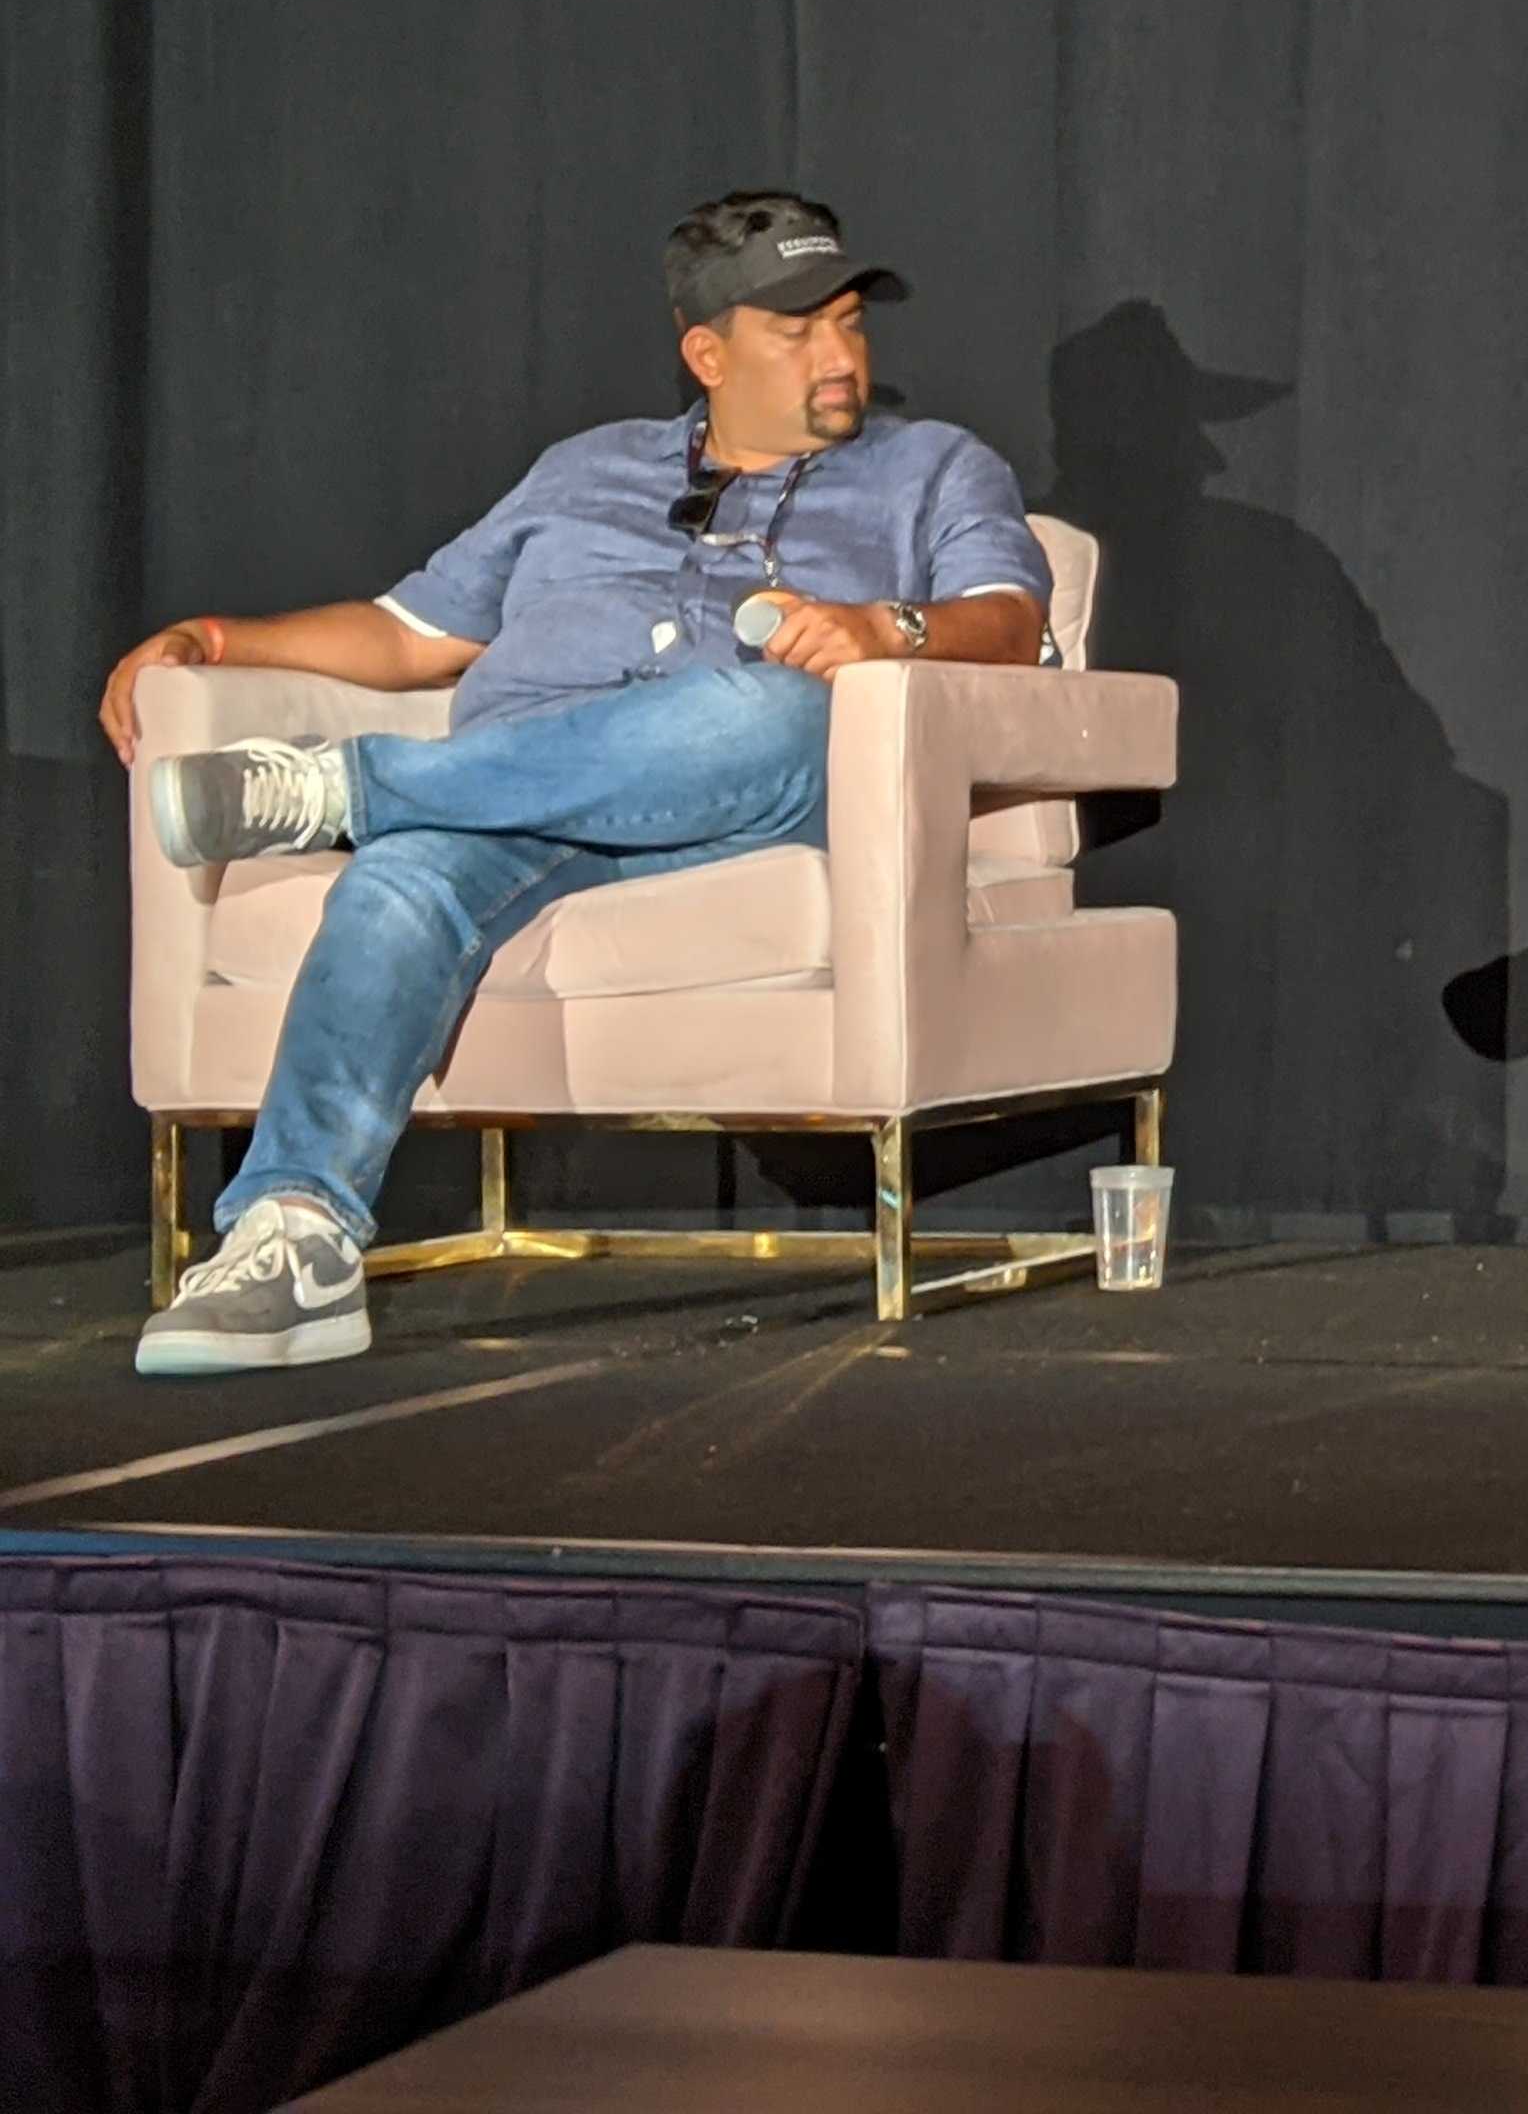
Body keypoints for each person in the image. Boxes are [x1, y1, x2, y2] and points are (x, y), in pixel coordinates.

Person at [101, 191, 1055, 1376]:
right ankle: (297, 1241)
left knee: (766, 704)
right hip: (513, 792)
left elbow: (1012, 626)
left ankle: (351, 789)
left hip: (743, 789)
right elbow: (407, 637)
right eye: (798, 330)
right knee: (397, 881)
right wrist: (213, 638)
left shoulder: (934, 468)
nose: (840, 354)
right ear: (707, 353)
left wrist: (887, 626)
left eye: (851, 324)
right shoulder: (581, 471)